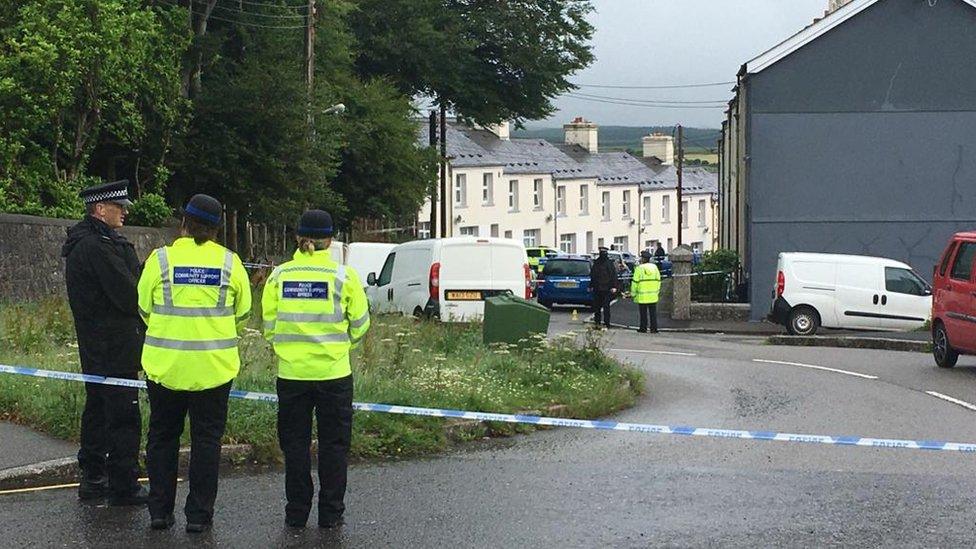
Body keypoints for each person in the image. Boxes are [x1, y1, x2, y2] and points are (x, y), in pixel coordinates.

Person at [137, 194, 252, 533]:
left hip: (165, 369)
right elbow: (242, 315)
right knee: (206, 442)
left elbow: (143, 308)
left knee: (162, 438)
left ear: (183, 224)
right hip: (213, 371)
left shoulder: (159, 261)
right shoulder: (231, 264)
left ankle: (159, 512)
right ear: (217, 230)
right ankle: (199, 517)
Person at [262, 210, 370, 530]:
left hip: (292, 375)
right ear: (331, 240)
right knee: (334, 446)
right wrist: (340, 345)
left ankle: (296, 512)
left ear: (298, 237)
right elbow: (361, 325)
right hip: (334, 374)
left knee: (294, 445)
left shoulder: (280, 276)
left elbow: (269, 326)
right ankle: (331, 514)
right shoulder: (343, 276)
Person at [62, 180, 148, 506]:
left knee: (97, 409)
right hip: (114, 347)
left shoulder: (86, 242)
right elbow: (129, 296)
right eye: (119, 207)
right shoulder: (97, 247)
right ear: (100, 209)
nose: (124, 212)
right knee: (124, 415)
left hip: (96, 346)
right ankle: (124, 484)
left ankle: (93, 477)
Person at [631, 250, 662, 333]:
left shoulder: (639, 269)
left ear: (643, 259)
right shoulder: (655, 268)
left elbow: (635, 282)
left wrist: (633, 293)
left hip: (642, 295)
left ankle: (643, 328)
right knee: (653, 313)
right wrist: (657, 291)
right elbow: (659, 280)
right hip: (653, 295)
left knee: (643, 313)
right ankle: (654, 329)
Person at [589, 247, 618, 328]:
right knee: (597, 307)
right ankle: (597, 322)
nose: (603, 254)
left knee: (606, 306)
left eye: (604, 252)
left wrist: (614, 286)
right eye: (601, 252)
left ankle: (606, 323)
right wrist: (591, 285)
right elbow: (593, 275)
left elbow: (613, 275)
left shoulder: (609, 263)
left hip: (607, 288)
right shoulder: (597, 263)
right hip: (597, 288)